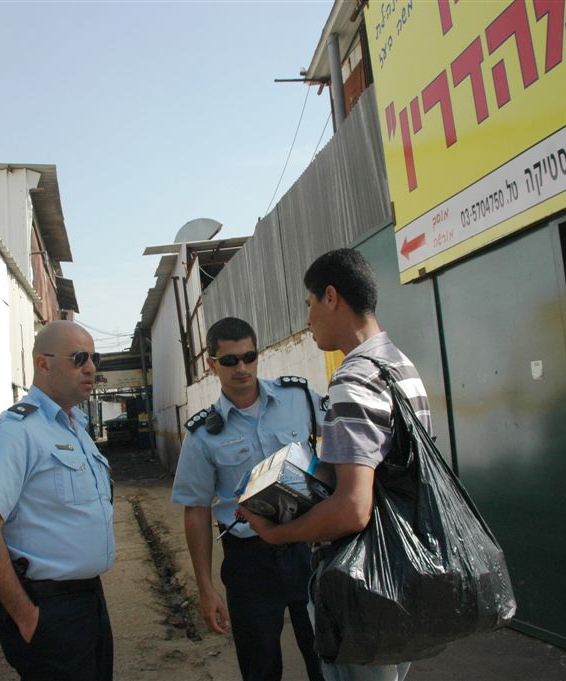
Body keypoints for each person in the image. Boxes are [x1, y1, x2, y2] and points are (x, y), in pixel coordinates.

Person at [240, 248, 432, 681]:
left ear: (331, 297)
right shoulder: (401, 366)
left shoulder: (353, 379)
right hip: (402, 568)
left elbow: (352, 508)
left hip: (360, 583)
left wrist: (277, 533)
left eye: (308, 305)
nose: (307, 319)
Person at [172, 316, 325, 681]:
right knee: (260, 667)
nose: (241, 368)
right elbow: (195, 511)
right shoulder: (201, 434)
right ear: (212, 365)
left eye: (249, 357)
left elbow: (339, 450)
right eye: (229, 360)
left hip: (310, 551)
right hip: (249, 565)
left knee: (327, 658)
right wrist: (205, 588)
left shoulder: (299, 399)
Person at [0, 320, 115, 681]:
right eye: (79, 358)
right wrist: (25, 615)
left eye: (94, 358)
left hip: (88, 599)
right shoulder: (16, 432)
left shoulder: (75, 428)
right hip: (48, 607)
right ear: (43, 364)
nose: (91, 368)